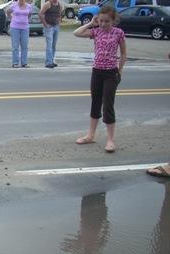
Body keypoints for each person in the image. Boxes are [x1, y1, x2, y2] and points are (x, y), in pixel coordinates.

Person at [74, 6, 126, 153]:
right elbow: (76, 33)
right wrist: (91, 23)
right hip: (97, 72)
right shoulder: (96, 32)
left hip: (111, 73)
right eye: (101, 21)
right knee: (95, 102)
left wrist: (119, 71)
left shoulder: (119, 33)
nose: (103, 24)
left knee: (108, 105)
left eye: (107, 21)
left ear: (113, 20)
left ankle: (110, 140)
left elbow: (123, 53)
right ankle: (90, 135)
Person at [7, 0, 32, 68]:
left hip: (25, 28)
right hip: (15, 27)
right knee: (15, 46)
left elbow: (29, 14)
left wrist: (25, 20)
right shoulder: (14, 5)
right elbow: (8, 12)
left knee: (24, 46)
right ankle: (15, 63)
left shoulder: (29, 6)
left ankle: (24, 63)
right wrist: (11, 18)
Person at [39, 0, 63, 68]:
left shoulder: (59, 5)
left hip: (56, 26)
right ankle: (48, 62)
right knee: (49, 45)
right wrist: (45, 24)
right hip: (49, 26)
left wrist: (59, 22)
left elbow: (59, 14)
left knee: (53, 45)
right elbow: (40, 14)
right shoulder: (48, 4)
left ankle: (52, 61)